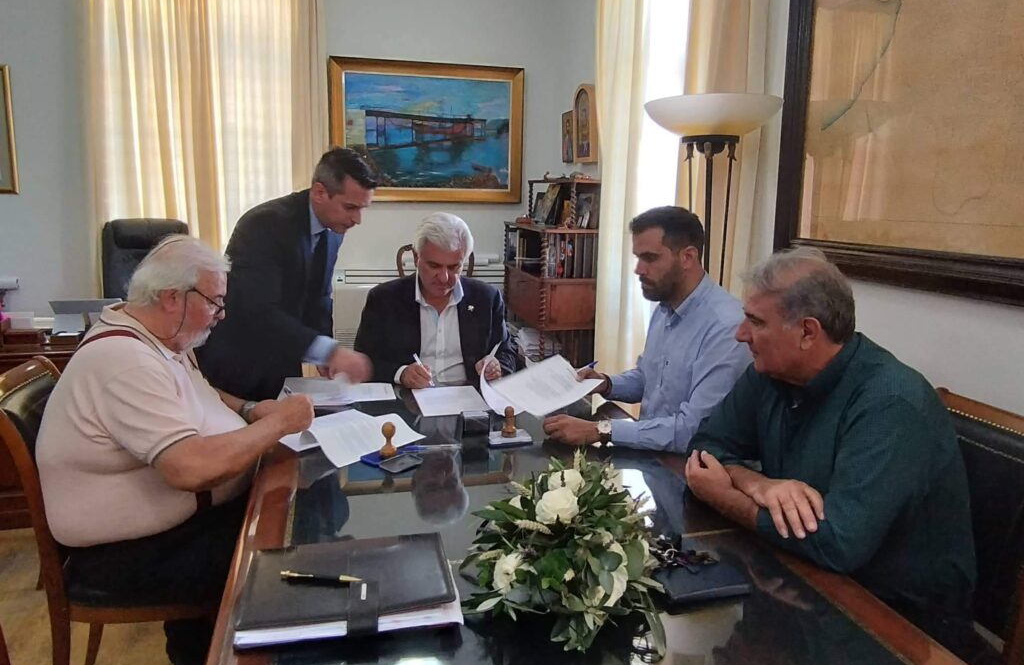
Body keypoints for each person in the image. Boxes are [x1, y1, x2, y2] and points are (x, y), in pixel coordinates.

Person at [36, 235, 314, 665]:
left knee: (286, 529)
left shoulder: (157, 338)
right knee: (280, 563)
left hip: (175, 529)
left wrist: (249, 409)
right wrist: (279, 424)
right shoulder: (125, 361)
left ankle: (197, 655)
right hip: (127, 555)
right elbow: (190, 469)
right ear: (172, 298)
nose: (222, 315)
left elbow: (199, 395)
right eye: (216, 302)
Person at [685, 247, 979, 657]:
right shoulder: (771, 373)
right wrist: (757, 483)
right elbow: (705, 445)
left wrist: (724, 495)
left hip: (900, 625)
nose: (740, 334)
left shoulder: (890, 403)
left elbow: (838, 542)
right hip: (806, 581)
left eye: (756, 321)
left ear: (808, 332)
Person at [544, 206, 750, 451]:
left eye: (650, 258)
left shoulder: (726, 328)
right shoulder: (665, 307)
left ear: (688, 257)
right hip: (652, 454)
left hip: (691, 465)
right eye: (638, 258)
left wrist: (600, 430)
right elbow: (650, 379)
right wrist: (606, 383)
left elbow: (694, 429)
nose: (638, 269)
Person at [198, 147, 376, 400]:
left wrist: (325, 351)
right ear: (319, 192)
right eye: (350, 207)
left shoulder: (333, 230)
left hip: (281, 364)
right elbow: (257, 310)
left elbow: (319, 298)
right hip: (239, 365)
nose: (357, 219)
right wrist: (329, 351)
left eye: (362, 209)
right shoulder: (264, 224)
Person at [354, 212, 515, 387]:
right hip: (408, 397)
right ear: (416, 258)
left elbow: (507, 352)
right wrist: (401, 373)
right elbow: (363, 361)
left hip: (469, 396)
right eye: (434, 266)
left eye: (453, 267)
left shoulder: (486, 298)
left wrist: (497, 367)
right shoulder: (384, 299)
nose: (444, 278)